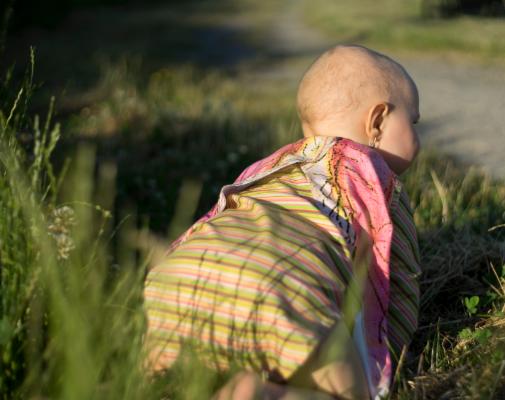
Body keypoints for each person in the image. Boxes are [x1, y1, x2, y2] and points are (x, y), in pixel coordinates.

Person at [143, 44, 422, 399]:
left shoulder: (269, 166)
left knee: (170, 377)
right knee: (352, 391)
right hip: (278, 285)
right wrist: (385, 353)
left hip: (185, 272)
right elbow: (396, 282)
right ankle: (259, 393)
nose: (418, 139)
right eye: (413, 122)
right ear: (377, 122)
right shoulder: (376, 180)